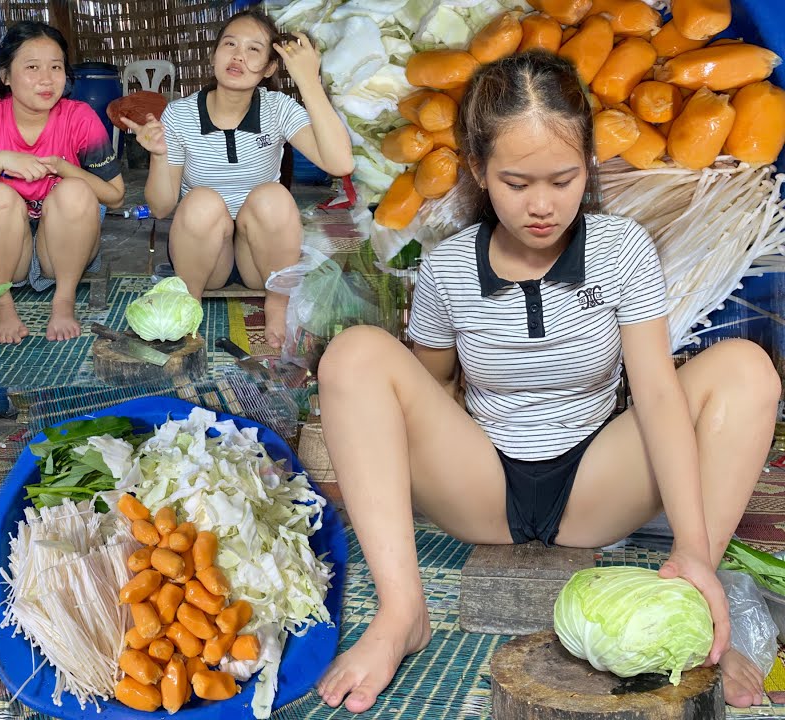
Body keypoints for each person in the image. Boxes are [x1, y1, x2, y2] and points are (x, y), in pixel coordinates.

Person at [315, 50, 781, 713]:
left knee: (747, 370)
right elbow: (423, 390)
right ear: (478, 170)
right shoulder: (448, 268)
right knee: (355, 355)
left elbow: (655, 394)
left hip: (595, 487)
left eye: (562, 180)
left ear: (588, 162)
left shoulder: (621, 250)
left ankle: (699, 602)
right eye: (515, 182)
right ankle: (401, 614)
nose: (541, 206)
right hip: (480, 485)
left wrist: (692, 548)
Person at [123, 9, 354, 350]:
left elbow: (340, 163)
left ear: (270, 68)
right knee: (201, 199)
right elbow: (160, 207)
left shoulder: (277, 108)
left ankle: (276, 302)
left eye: (254, 50)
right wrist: (158, 155)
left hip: (261, 257)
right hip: (203, 256)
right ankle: (190, 304)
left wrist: (307, 81)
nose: (238, 56)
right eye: (229, 44)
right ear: (214, 55)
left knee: (272, 197)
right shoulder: (181, 114)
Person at [0, 21, 125, 344]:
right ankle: (2, 305)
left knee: (76, 191)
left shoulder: (80, 118)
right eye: (32, 67)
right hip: (1, 256)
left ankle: (63, 301)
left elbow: (116, 196)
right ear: (6, 76)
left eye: (56, 67)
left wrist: (64, 168)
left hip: (62, 254)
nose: (46, 79)